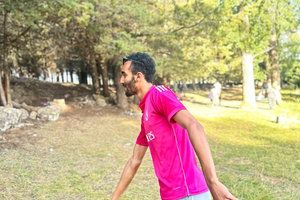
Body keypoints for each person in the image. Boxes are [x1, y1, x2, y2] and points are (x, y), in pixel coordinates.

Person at [112, 52, 238, 200]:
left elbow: (194, 125)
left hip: (188, 192)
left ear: (138, 76)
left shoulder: (159, 94)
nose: (121, 80)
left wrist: (213, 182)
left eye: (124, 75)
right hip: (171, 195)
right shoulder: (146, 111)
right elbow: (135, 160)